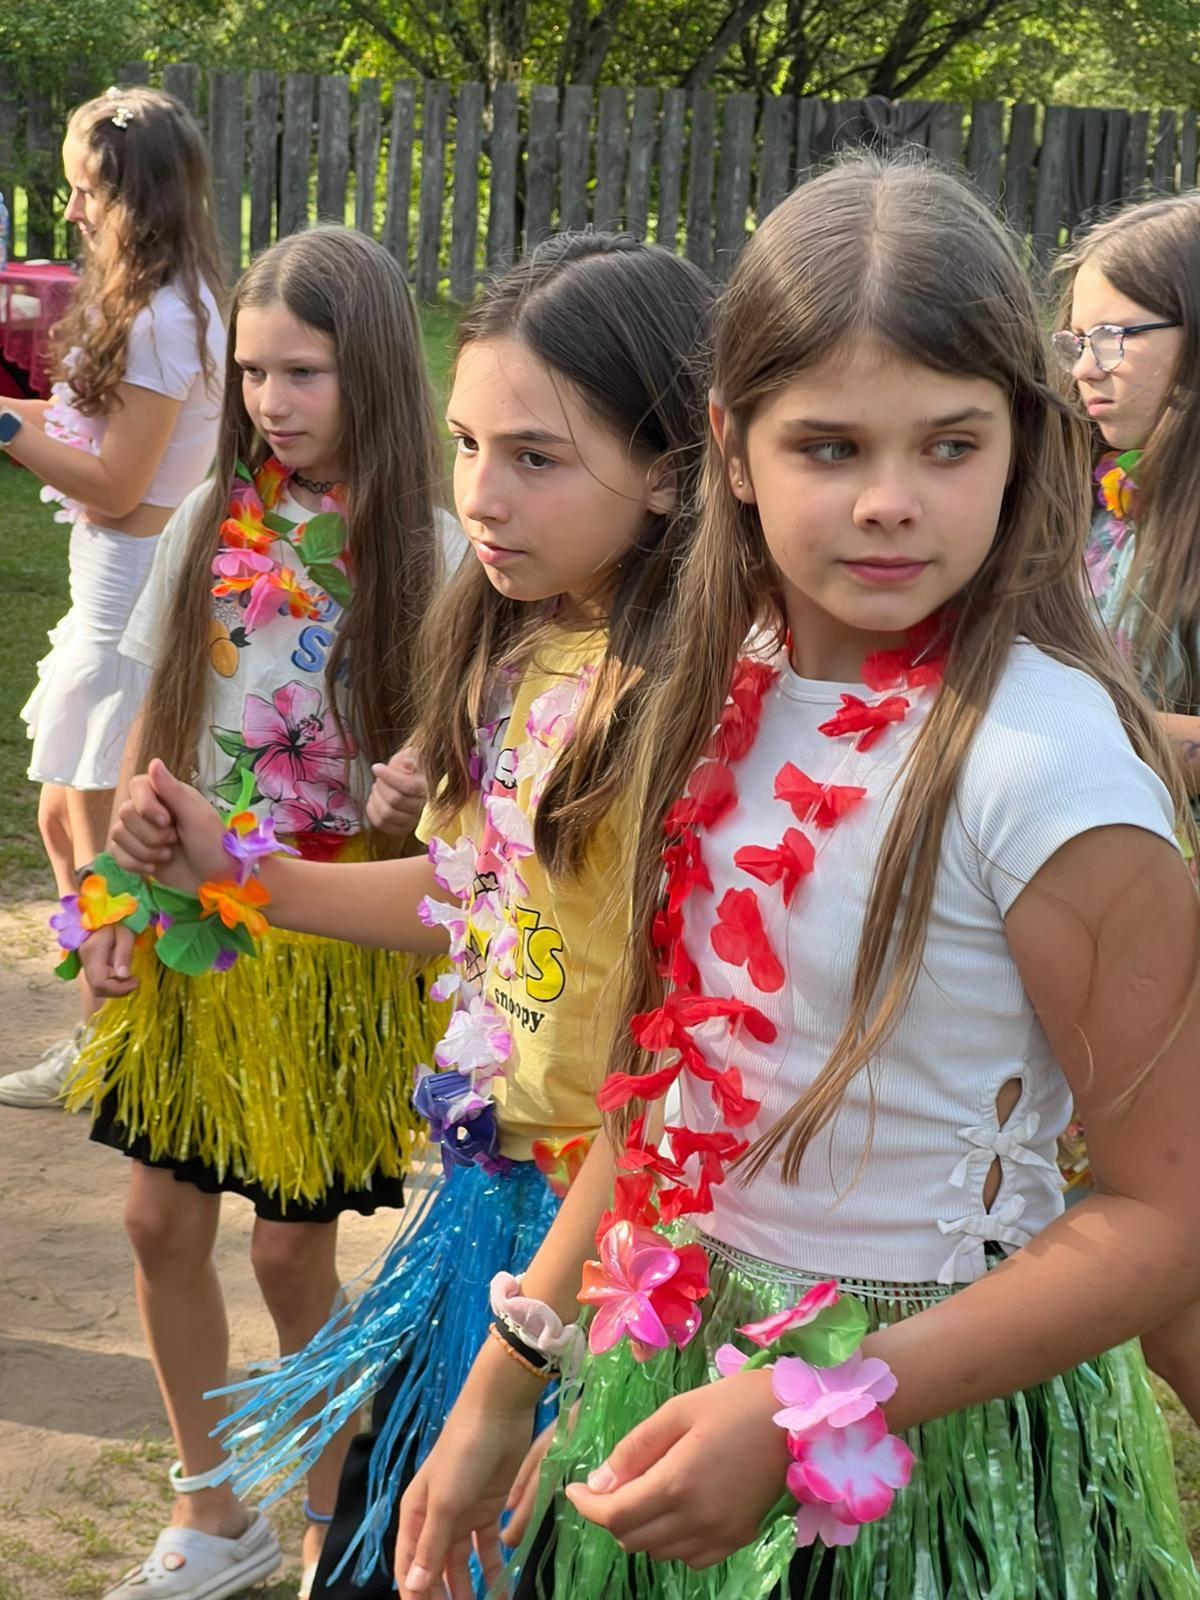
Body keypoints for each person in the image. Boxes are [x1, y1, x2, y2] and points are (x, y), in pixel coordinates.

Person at [387, 155, 1200, 1600]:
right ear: (731, 445)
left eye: (948, 445)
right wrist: (509, 1379)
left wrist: (817, 1408)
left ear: (1023, 441)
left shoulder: (1049, 768)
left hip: (938, 1461)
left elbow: (1163, 1217)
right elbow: (664, 1094)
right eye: (829, 447)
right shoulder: (706, 695)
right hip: (674, 1376)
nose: (891, 501)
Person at [98, 230, 715, 1600]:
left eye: (536, 456)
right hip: (490, 1210)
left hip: (612, 1254)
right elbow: (466, 898)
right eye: (467, 445)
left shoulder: (692, 716)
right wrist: (230, 871)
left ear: (675, 467)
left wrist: (527, 1352)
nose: (482, 495)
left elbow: (677, 1066)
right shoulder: (527, 641)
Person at [68, 223, 453, 1600]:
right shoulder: (205, 525)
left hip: (333, 939)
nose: (271, 402)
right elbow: (159, 722)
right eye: (251, 373)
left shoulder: (438, 552)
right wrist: (116, 886)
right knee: (156, 1222)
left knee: (294, 1251)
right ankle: (209, 1506)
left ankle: (334, 1509)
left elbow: (476, 768)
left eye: (304, 373)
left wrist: (429, 773)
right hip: (196, 929)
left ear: (376, 375)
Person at [0, 86, 225, 1108]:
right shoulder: (158, 300)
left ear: (141, 199)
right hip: (109, 586)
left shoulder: (166, 321)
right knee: (64, 816)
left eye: (88, 191)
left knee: (100, 833)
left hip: (132, 594)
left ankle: (110, 1048)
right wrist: (18, 410)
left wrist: (4, 431)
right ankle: (112, 1033)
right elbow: (85, 426)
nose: (74, 210)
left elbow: (117, 483)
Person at [1055, 192, 1200, 1426]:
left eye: (1119, 335)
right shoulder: (1107, 503)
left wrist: (1118, 735)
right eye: (1076, 339)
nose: (1089, 366)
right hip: (1121, 929)